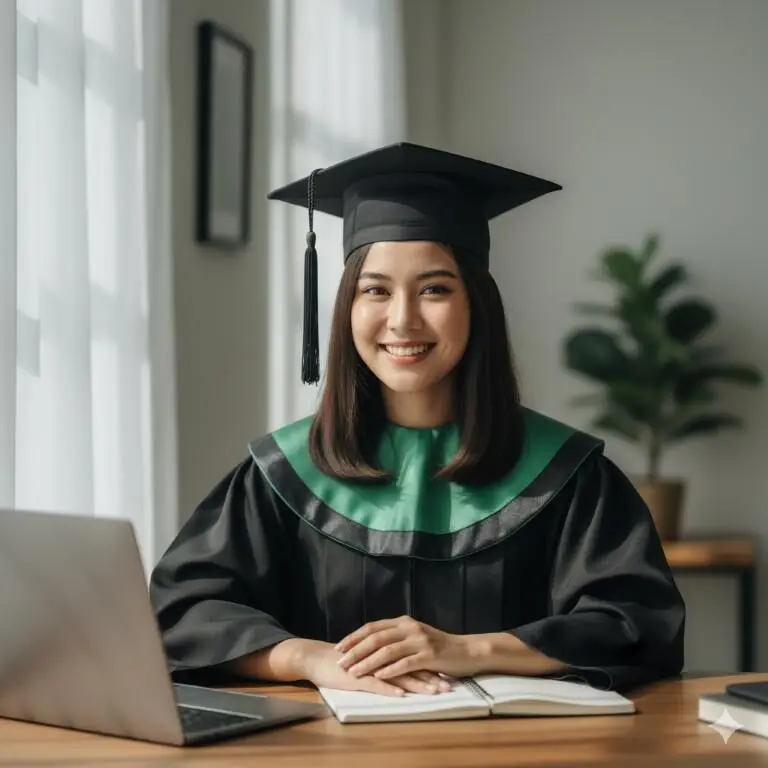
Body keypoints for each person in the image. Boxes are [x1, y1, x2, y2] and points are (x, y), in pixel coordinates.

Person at [149, 142, 685, 698]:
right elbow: (183, 614)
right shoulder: (279, 476)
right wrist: (311, 658)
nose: (402, 320)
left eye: (434, 289)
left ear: (477, 304)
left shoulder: (569, 476)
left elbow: (640, 625)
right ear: (346, 310)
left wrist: (469, 649)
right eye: (375, 290)